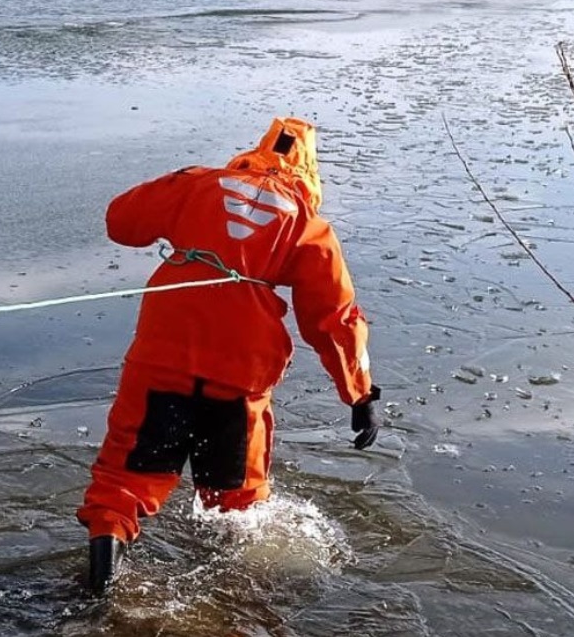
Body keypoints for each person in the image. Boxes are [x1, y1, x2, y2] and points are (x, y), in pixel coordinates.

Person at [77, 116, 380, 593]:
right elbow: (335, 320)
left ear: (255, 152)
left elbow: (121, 221)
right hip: (240, 371)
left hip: (164, 353)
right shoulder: (308, 226)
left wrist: (184, 201)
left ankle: (100, 591)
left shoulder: (198, 183)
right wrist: (360, 396)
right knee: (238, 505)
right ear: (310, 173)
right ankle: (236, 618)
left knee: (123, 482)